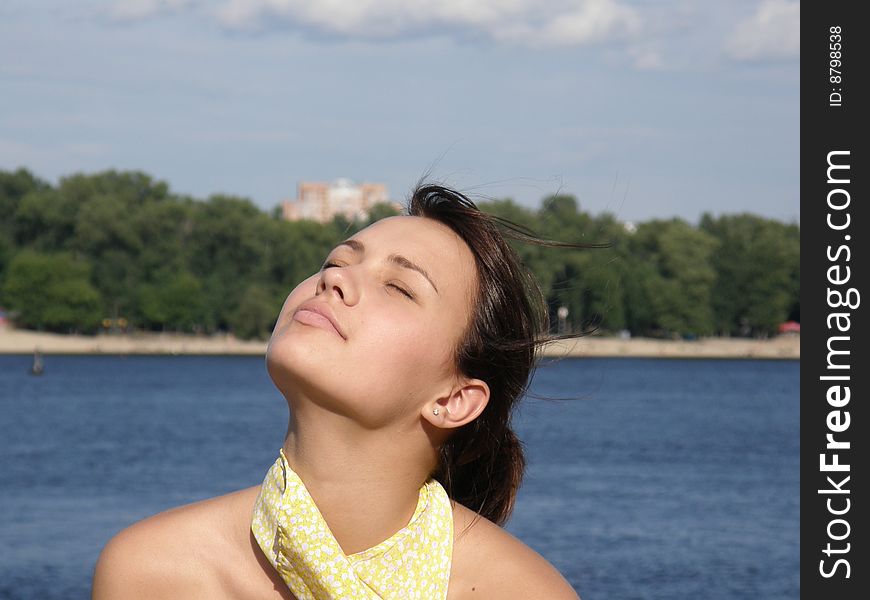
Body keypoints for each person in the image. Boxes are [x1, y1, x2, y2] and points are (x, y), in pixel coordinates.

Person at [93, 184, 581, 599]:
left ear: (454, 400)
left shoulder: (522, 591)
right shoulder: (149, 573)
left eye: (399, 287)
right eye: (336, 260)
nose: (335, 278)